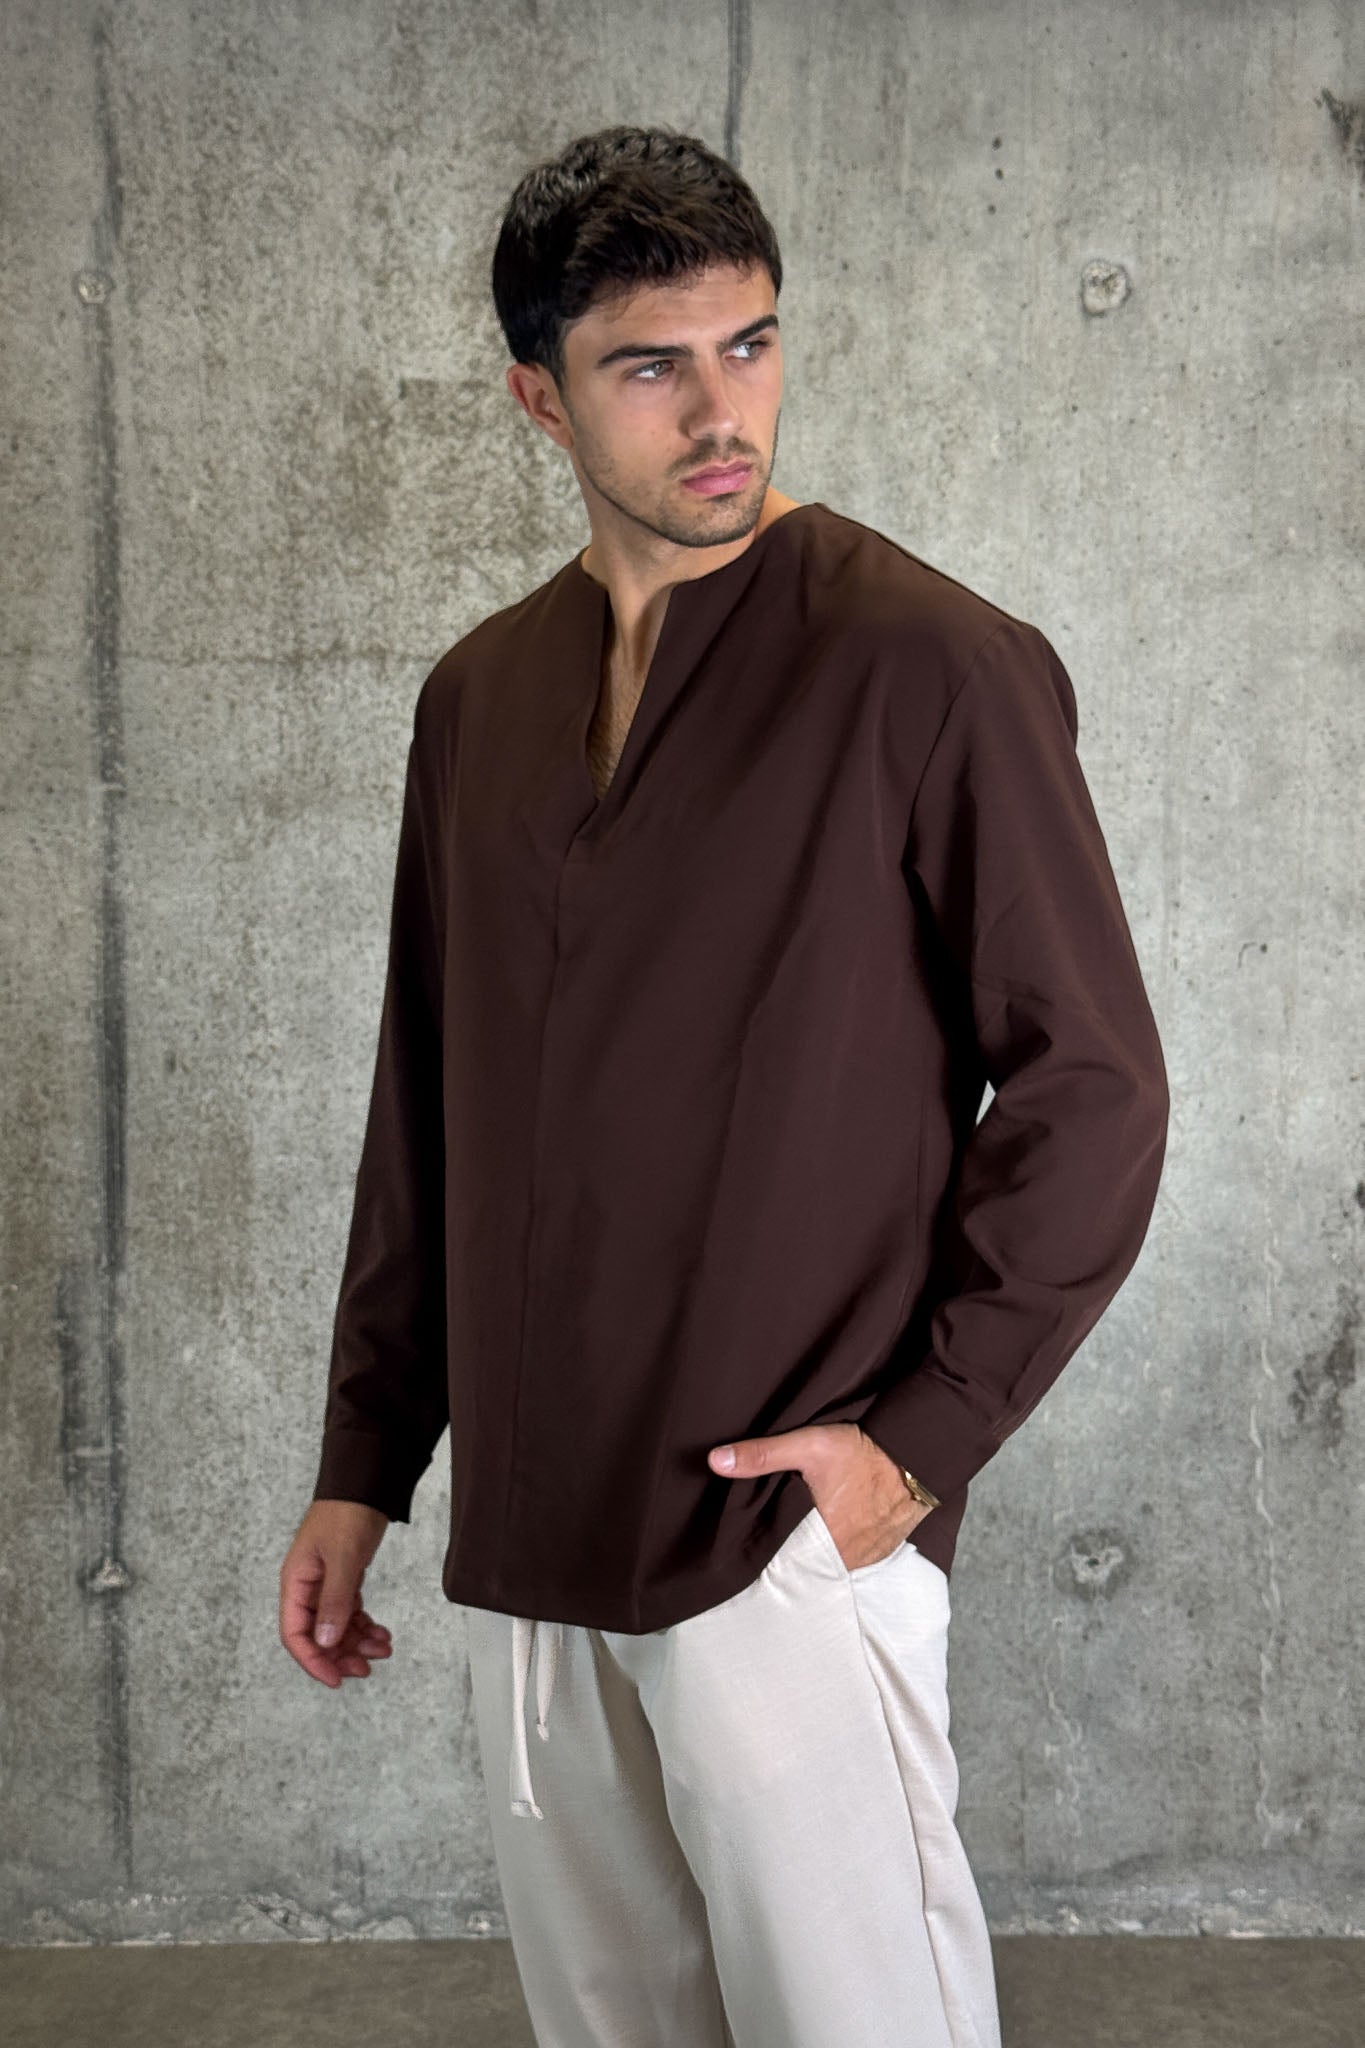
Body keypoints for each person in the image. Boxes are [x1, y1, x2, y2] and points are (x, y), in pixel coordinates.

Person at [279, 124, 1169, 2047]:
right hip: (530, 1543)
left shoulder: (932, 666)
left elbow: (1091, 1088)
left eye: (749, 345)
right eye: (650, 366)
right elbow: (425, 1113)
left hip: (783, 1535)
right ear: (539, 396)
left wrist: (909, 1448)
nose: (718, 412)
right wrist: (366, 1464)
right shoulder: (478, 700)